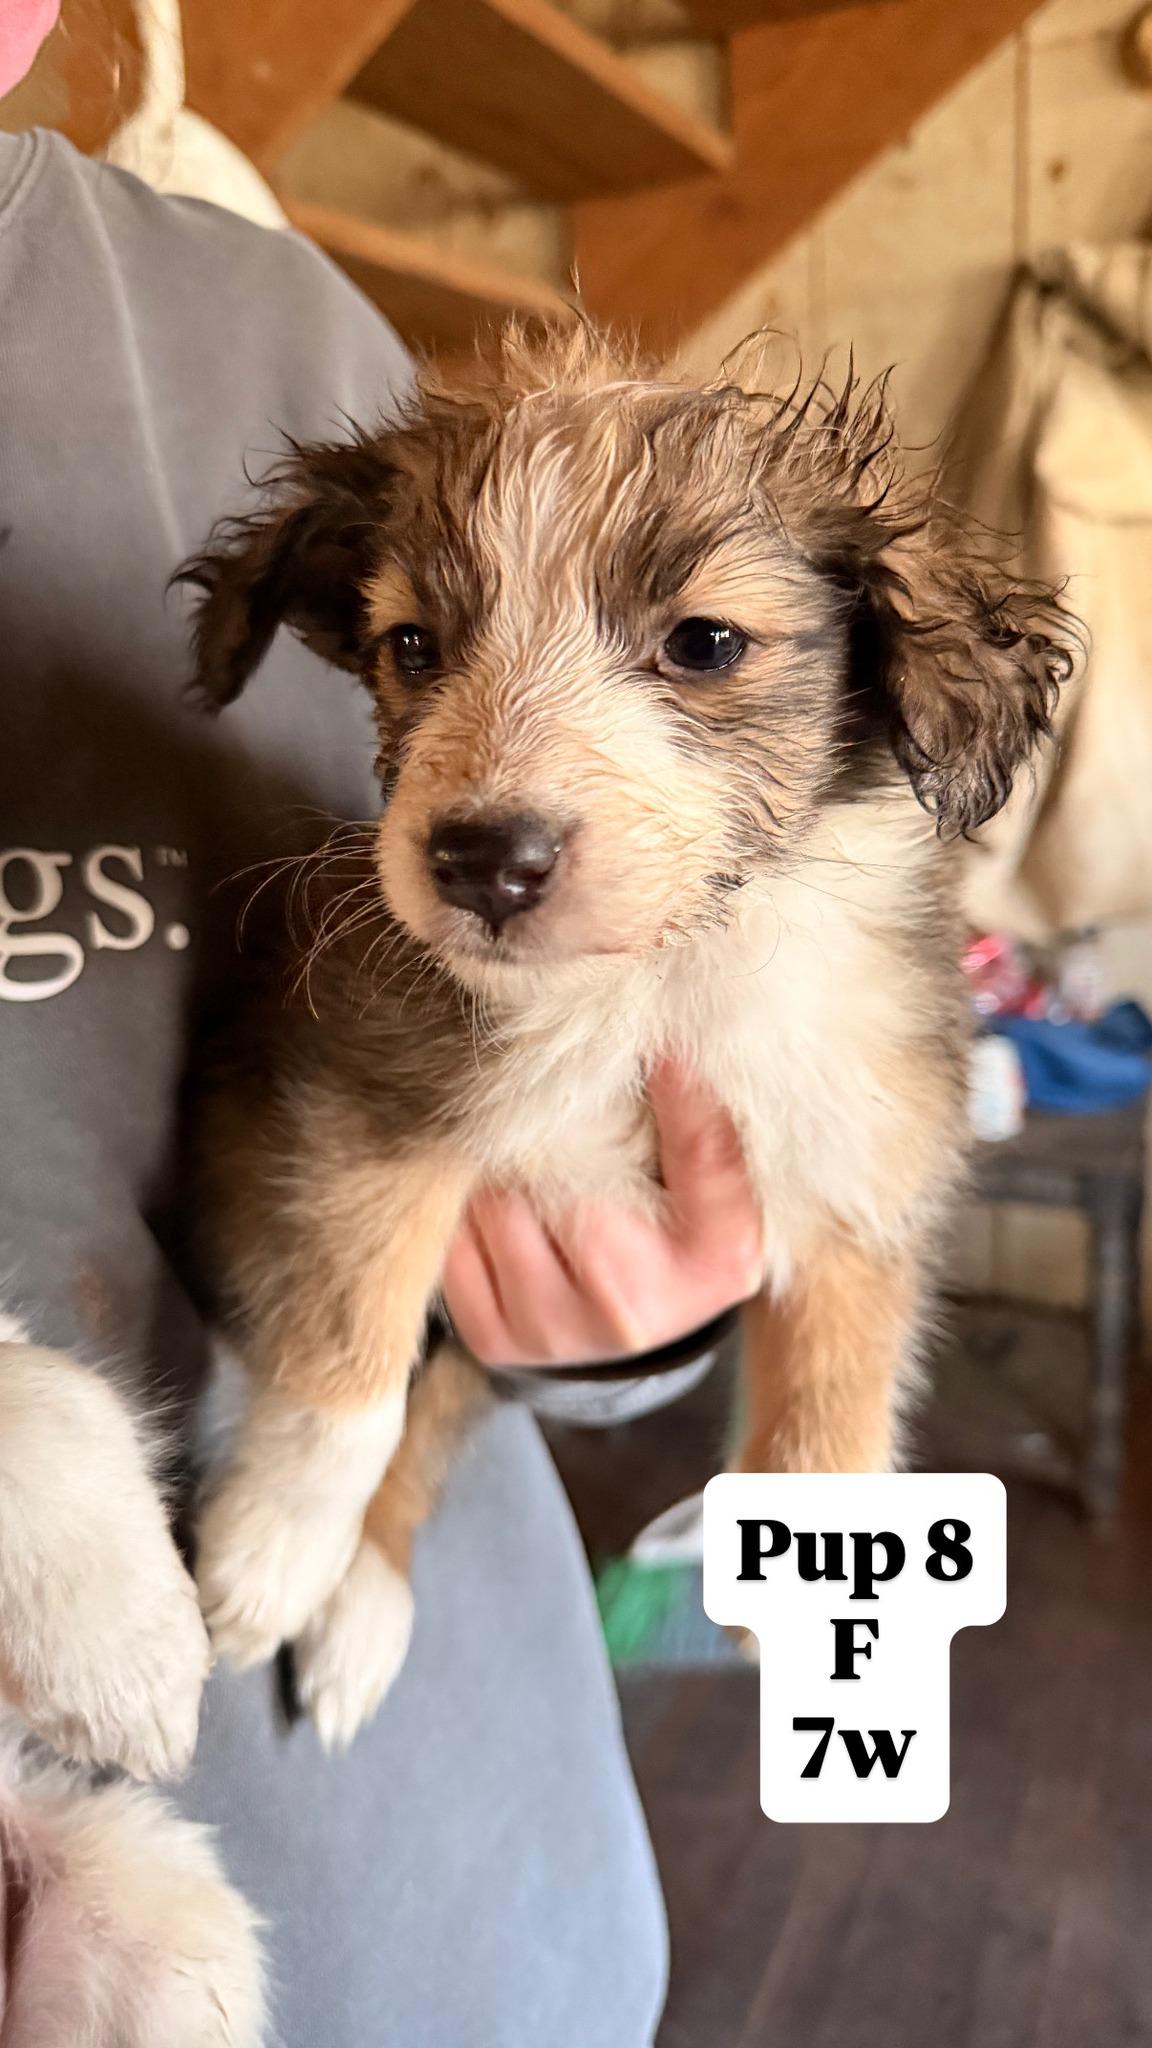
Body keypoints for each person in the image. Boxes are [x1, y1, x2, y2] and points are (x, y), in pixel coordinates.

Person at [0, 31, 762, 2047]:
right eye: (416, 651)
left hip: (469, 1886)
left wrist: (637, 1313)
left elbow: (528, 1074)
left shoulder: (260, 324)